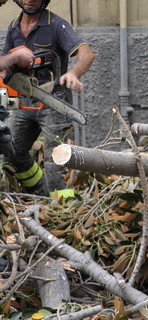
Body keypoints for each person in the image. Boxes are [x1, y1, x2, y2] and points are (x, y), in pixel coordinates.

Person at [2, 0, 95, 197]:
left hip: (54, 103)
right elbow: (4, 66)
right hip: (23, 103)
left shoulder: (56, 25)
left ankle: (65, 212)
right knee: (11, 153)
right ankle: (40, 192)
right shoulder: (13, 28)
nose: (29, 0)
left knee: (56, 165)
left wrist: (73, 73)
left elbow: (86, 54)